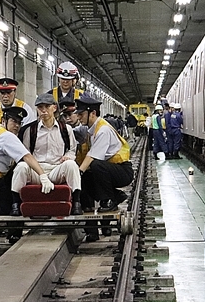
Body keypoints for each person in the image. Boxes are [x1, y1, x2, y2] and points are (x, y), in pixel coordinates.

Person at [0, 106, 53, 217]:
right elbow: (27, 156)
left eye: (19, 122)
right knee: (12, 201)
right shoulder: (8, 137)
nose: (17, 125)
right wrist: (42, 176)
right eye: (13, 121)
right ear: (4, 121)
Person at [11, 93, 82, 216]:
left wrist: (68, 157)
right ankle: (15, 204)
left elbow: (72, 149)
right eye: (40, 107)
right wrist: (39, 173)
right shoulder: (31, 130)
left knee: (72, 165)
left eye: (47, 107)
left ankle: (76, 203)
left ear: (54, 108)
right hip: (36, 170)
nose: (43, 111)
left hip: (56, 169)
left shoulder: (65, 129)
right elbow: (26, 153)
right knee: (21, 167)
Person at [75, 97, 134, 241]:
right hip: (112, 170)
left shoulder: (103, 130)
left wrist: (78, 173)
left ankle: (108, 200)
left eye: (81, 114)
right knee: (88, 179)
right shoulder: (92, 130)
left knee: (94, 166)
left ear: (92, 113)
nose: (78, 117)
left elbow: (93, 156)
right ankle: (115, 196)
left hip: (122, 171)